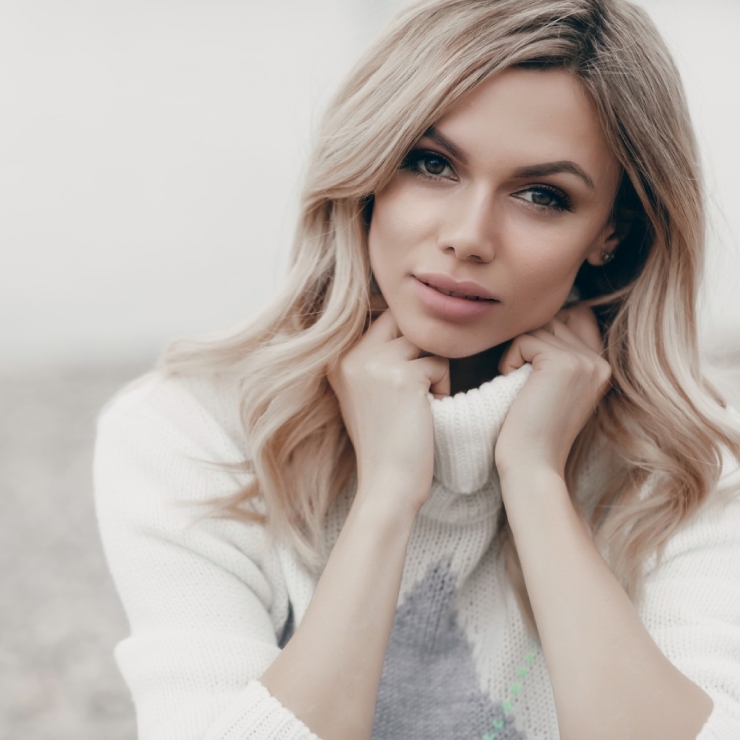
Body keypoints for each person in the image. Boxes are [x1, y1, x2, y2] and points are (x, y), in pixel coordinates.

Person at [94, 0, 740, 738]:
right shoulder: (194, 433)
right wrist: (389, 494)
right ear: (370, 170)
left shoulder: (696, 460)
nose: (467, 237)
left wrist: (535, 480)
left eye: (541, 196)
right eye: (431, 163)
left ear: (611, 234)